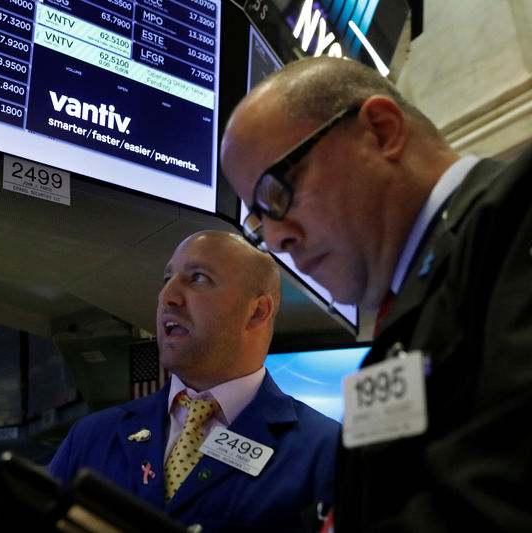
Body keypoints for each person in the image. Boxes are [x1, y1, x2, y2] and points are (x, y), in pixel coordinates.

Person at [220, 55, 532, 532]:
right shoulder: (403, 319)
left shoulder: (519, 210)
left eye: (277, 193)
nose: (277, 238)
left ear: (382, 131)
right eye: (260, 226)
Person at [48, 230, 340, 532]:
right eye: (167, 280)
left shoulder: (326, 452)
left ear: (257, 311)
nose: (167, 297)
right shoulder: (91, 437)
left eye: (198, 278)